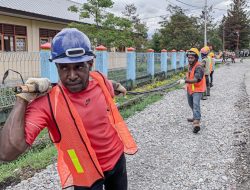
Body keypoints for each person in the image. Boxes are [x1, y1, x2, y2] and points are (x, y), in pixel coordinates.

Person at [0, 28, 138, 190]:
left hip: (116, 158)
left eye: (79, 67)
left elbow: (108, 84)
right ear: (57, 66)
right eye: (64, 68)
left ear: (90, 64)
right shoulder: (49, 103)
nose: (72, 75)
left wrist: (118, 86)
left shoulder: (99, 80)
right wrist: (22, 99)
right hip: (83, 170)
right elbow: (6, 152)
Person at [179, 48, 206, 133]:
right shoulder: (190, 66)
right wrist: (185, 83)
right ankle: (195, 116)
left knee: (195, 104)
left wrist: (185, 81)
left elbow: (196, 79)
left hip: (198, 89)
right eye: (189, 58)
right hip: (190, 88)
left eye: (192, 58)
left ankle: (196, 123)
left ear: (196, 58)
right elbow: (189, 76)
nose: (190, 59)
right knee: (191, 104)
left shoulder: (199, 67)